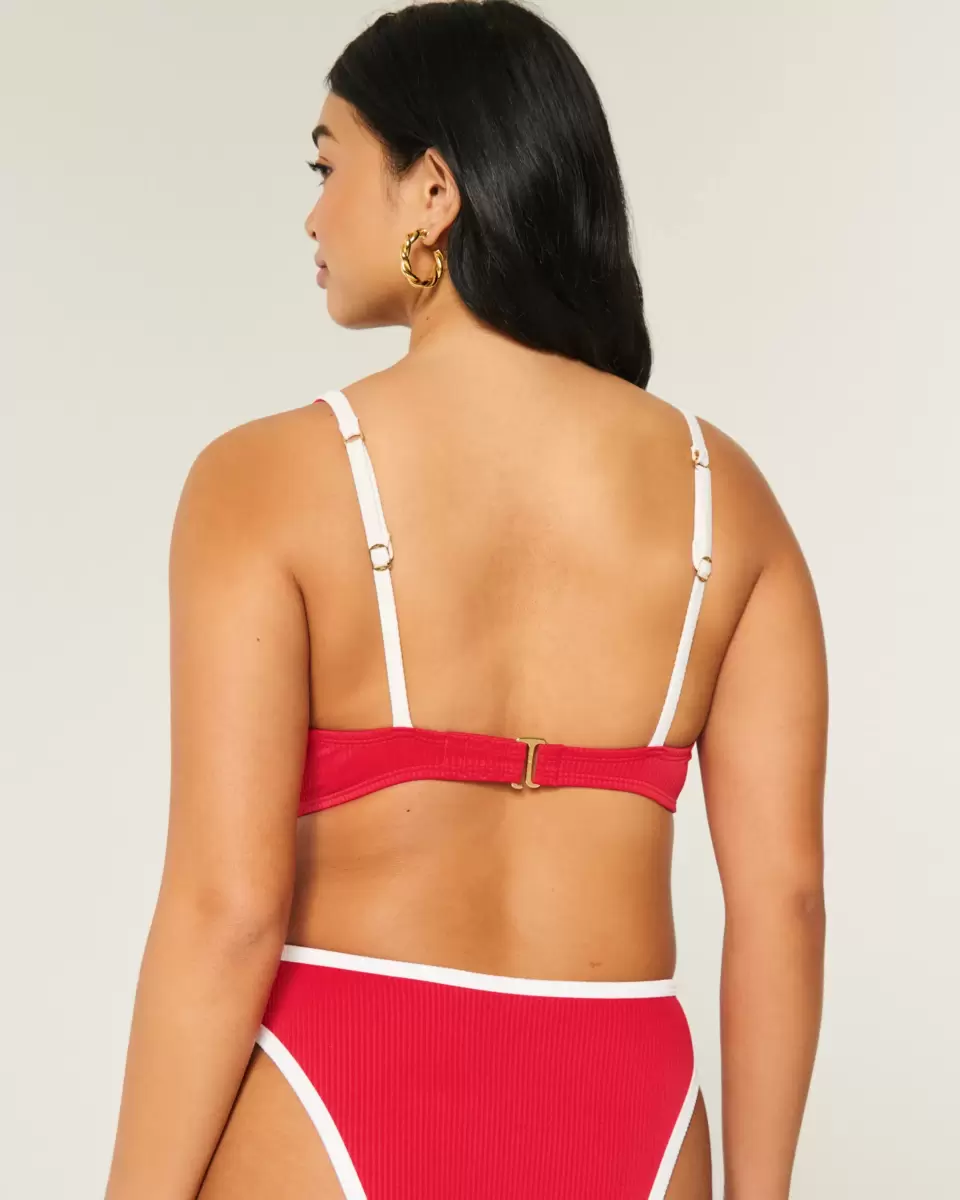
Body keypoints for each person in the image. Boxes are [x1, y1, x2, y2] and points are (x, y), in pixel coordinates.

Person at [104, 3, 827, 1198]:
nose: (312, 215)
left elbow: (227, 912)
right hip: (629, 1115)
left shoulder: (265, 480)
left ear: (433, 192)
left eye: (328, 166)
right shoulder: (726, 499)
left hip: (335, 1091)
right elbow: (785, 904)